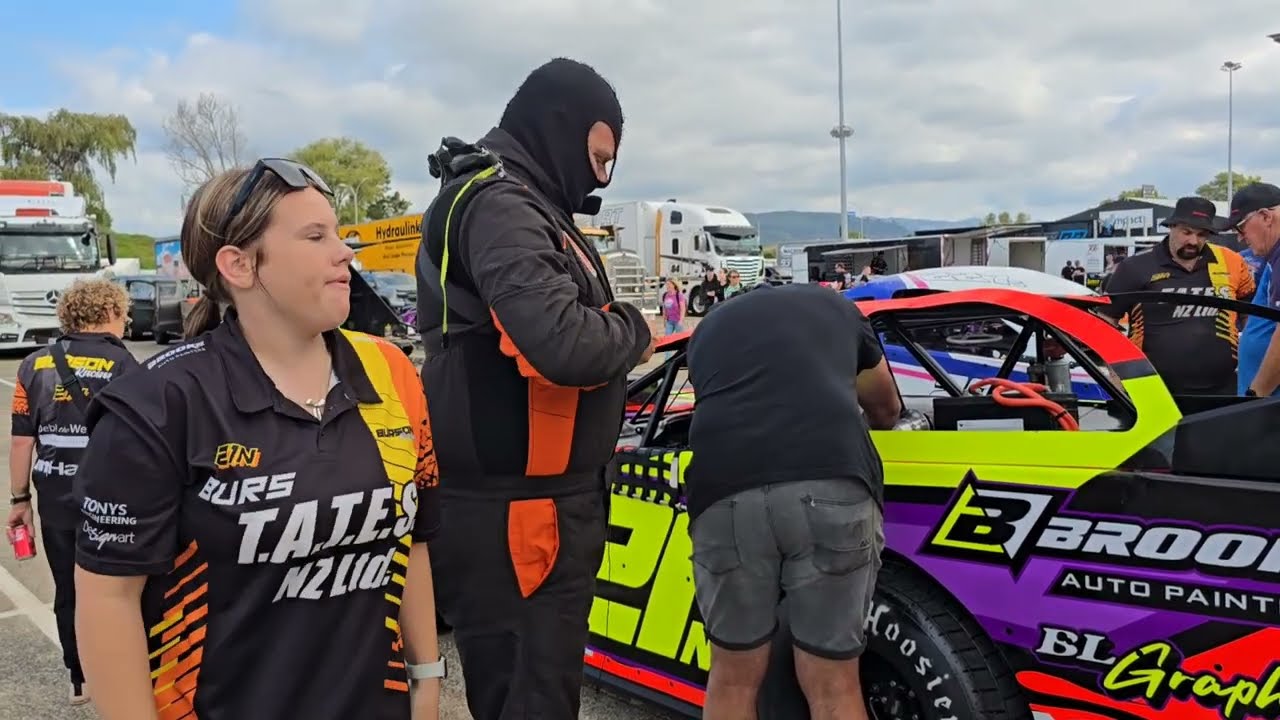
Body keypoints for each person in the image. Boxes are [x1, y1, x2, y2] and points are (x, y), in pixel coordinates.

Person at [73, 160, 443, 720]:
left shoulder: (391, 370)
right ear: (239, 266)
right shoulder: (158, 403)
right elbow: (107, 598)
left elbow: (412, 540)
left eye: (339, 234)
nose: (345, 252)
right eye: (316, 236)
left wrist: (428, 677)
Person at [413, 58, 654, 719]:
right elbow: (563, 343)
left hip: (537, 508)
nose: (602, 177)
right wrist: (634, 326)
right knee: (529, 698)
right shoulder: (502, 204)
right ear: (560, 130)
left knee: (537, 692)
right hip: (520, 516)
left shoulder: (519, 200)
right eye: (598, 157)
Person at [683, 283, 902, 720]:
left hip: (724, 492)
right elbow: (887, 406)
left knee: (731, 678)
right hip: (833, 483)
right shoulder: (837, 308)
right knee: (834, 684)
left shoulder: (706, 329)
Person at [7, 278, 139, 706]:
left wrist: (19, 499)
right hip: (113, 499)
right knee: (120, 589)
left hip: (56, 496)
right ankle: (126, 672)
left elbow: (22, 441)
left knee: (69, 588)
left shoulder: (33, 365)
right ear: (111, 313)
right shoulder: (124, 364)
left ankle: (80, 677)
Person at [1099, 196, 1255, 396]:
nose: (1193, 241)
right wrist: (1116, 376)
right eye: (1186, 232)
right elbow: (1105, 321)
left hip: (1223, 388)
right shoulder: (1135, 267)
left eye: (1201, 234)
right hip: (1153, 390)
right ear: (1171, 227)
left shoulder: (1231, 262)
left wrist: (1252, 357)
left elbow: (1251, 311)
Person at [1227, 183, 1280, 397]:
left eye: (1241, 226)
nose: (1239, 237)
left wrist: (1256, 395)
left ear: (1266, 217)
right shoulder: (1273, 257)